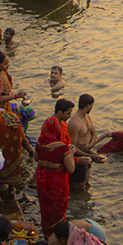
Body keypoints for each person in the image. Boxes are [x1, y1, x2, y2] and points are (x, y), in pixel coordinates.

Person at [35, 98, 77, 233]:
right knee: (57, 209)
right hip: (56, 183)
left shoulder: (39, 143)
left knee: (45, 207)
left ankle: (46, 231)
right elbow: (71, 169)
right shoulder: (61, 148)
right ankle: (58, 233)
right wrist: (71, 153)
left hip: (42, 180)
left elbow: (36, 158)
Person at [67, 93, 103, 188]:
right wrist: (90, 156)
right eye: (92, 106)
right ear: (88, 106)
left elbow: (94, 133)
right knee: (78, 186)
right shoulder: (74, 123)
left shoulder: (87, 117)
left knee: (86, 183)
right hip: (79, 157)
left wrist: (90, 145)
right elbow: (72, 147)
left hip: (87, 153)